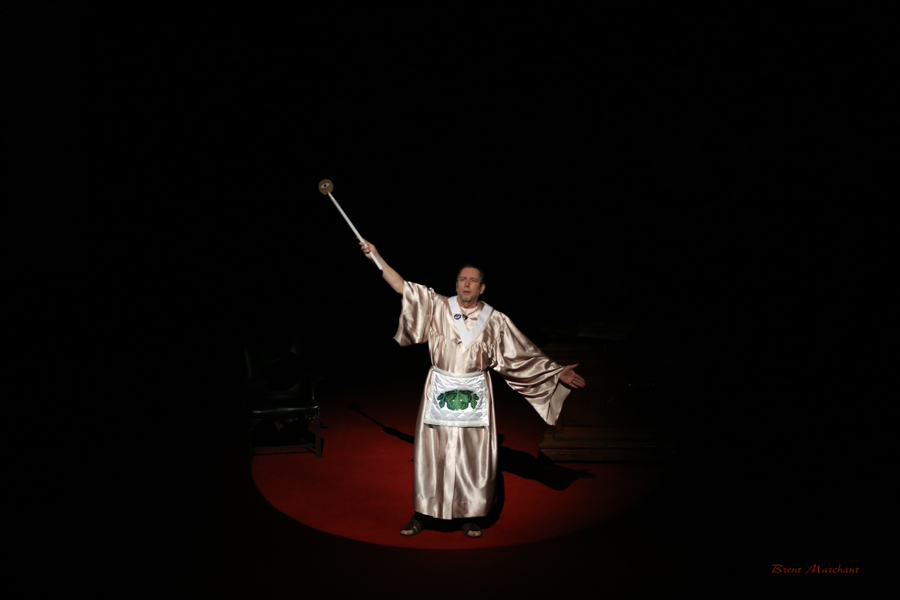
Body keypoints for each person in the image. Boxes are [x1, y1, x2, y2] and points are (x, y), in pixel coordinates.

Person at [360, 239, 585, 538]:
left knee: (474, 453)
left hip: (476, 391)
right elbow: (402, 287)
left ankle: (470, 514)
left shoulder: (496, 320)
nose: (467, 284)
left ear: (482, 288)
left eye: (473, 280)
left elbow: (524, 354)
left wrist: (556, 372)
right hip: (440, 387)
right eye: (462, 279)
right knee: (433, 451)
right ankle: (424, 512)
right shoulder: (439, 306)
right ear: (456, 284)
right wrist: (376, 256)